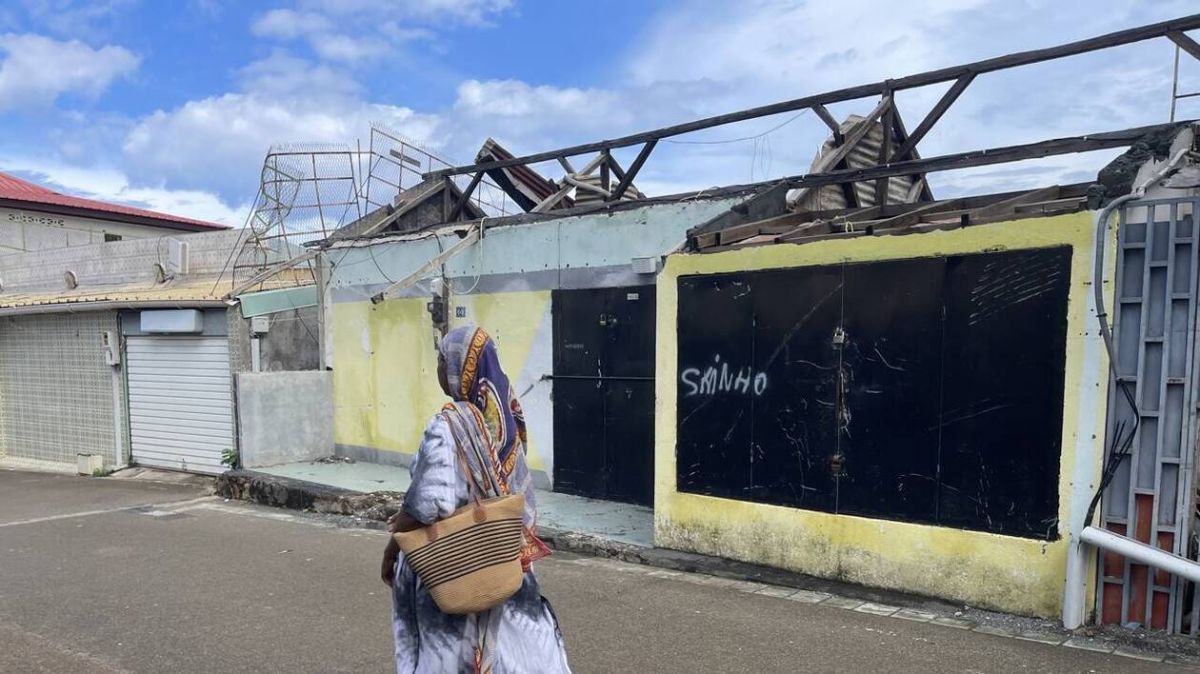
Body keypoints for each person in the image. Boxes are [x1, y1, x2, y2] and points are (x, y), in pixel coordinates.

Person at [381, 325, 573, 674]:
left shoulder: (448, 425)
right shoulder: (507, 418)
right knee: (511, 649)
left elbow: (431, 502)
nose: (439, 369)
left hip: (454, 562)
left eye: (442, 360)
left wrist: (393, 545)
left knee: (455, 654)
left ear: (457, 368)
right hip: (503, 556)